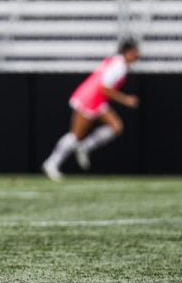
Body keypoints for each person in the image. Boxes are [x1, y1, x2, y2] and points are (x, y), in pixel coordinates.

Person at [41, 38, 140, 181]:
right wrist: (126, 100)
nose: (137, 56)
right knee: (76, 135)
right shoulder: (119, 66)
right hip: (90, 98)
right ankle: (51, 163)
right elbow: (104, 88)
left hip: (97, 99)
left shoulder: (116, 61)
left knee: (115, 127)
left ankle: (85, 147)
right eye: (135, 53)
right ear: (127, 52)